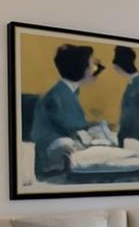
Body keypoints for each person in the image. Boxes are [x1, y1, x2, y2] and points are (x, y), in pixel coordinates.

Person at [31, 44, 98, 178]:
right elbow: (78, 129)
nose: (94, 69)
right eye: (91, 65)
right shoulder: (61, 95)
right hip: (53, 166)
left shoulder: (65, 91)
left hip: (60, 158)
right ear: (80, 68)